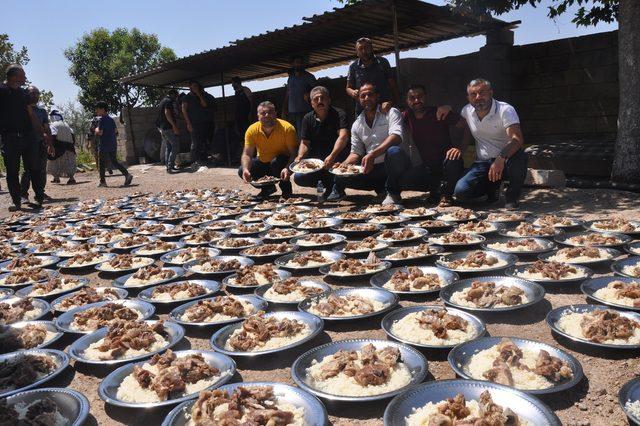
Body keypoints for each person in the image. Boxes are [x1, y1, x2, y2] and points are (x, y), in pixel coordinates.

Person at [385, 84, 464, 206]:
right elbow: (393, 118)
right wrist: (389, 107)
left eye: (420, 96)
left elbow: (464, 125)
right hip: (428, 168)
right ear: (407, 101)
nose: (416, 100)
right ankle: (436, 191)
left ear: (426, 97)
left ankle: (446, 196)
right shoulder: (407, 116)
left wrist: (460, 148)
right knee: (403, 181)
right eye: (412, 98)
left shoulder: (439, 112)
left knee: (453, 160)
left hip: (447, 164)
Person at [454, 78, 528, 209]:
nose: (478, 97)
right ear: (468, 97)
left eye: (482, 93)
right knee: (461, 192)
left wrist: (500, 158)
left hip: (506, 160)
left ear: (491, 93)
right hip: (483, 162)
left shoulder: (505, 110)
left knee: (520, 157)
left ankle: (512, 196)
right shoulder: (466, 111)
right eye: (473, 94)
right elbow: (467, 133)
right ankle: (491, 190)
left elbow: (517, 140)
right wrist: (461, 149)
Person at [329, 82, 403, 202]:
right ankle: (382, 189)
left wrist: (372, 154)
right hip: (372, 168)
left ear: (377, 96)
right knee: (339, 176)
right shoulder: (357, 124)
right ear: (358, 99)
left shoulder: (390, 112)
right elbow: (356, 152)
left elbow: (396, 137)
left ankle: (393, 192)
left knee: (394, 152)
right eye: (363, 96)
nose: (367, 98)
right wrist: (344, 164)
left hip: (392, 166)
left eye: (370, 94)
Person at [0, 64, 46, 211]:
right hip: (10, 138)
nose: (25, 78)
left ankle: (39, 198)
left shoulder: (24, 94)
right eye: (22, 75)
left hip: (28, 137)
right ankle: (16, 201)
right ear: (13, 76)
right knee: (12, 171)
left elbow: (31, 114)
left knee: (33, 168)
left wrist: (41, 132)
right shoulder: (1, 91)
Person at [292, 86, 349, 201]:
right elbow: (305, 142)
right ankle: (328, 186)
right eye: (316, 99)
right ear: (311, 103)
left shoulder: (339, 114)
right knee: (299, 177)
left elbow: (343, 136)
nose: (319, 101)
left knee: (339, 169)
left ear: (329, 100)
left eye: (323, 98)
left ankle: (337, 187)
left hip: (336, 157)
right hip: (317, 162)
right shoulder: (307, 118)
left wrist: (332, 156)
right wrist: (300, 156)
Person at [238, 101, 297, 199]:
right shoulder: (252, 130)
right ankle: (268, 188)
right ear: (258, 116)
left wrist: (287, 168)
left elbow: (294, 153)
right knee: (241, 170)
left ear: (275, 113)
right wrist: (245, 169)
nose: (267, 115)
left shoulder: (287, 128)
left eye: (270, 112)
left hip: (281, 163)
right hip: (263, 161)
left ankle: (286, 189)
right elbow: (247, 154)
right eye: (263, 113)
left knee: (276, 162)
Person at [346, 38, 400, 116]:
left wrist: (397, 103)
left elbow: (393, 84)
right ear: (357, 52)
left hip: (383, 107)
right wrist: (352, 92)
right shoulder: (353, 67)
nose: (364, 51)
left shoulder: (382, 62)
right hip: (363, 110)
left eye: (366, 48)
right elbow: (348, 88)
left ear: (371, 48)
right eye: (360, 49)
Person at [20, 85, 53, 204]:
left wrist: (50, 143)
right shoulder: (23, 110)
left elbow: (46, 128)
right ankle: (23, 195)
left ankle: (40, 192)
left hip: (41, 143)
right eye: (32, 93)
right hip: (28, 143)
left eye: (37, 93)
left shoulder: (42, 111)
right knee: (28, 170)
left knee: (41, 169)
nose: (35, 95)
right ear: (27, 94)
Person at [94, 101, 132, 187]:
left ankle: (102, 182)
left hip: (104, 144)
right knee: (115, 162)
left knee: (101, 163)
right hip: (112, 143)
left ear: (103, 109)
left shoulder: (102, 119)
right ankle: (127, 175)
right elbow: (116, 131)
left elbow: (100, 132)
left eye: (98, 109)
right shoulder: (111, 119)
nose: (96, 111)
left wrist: (96, 129)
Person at [181, 80, 216, 167]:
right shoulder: (186, 98)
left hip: (206, 123)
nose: (195, 88)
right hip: (194, 124)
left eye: (196, 86)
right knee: (196, 143)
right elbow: (184, 110)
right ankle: (195, 161)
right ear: (190, 88)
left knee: (205, 142)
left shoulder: (202, 96)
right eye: (193, 86)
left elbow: (204, 105)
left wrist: (199, 95)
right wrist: (188, 123)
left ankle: (204, 159)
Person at [282, 55, 317, 135]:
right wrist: (284, 108)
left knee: (303, 135)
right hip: (291, 112)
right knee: (292, 134)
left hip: (304, 111)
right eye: (297, 62)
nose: (299, 64)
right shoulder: (291, 78)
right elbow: (288, 93)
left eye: (300, 63)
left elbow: (316, 90)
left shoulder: (309, 77)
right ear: (293, 64)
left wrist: (309, 93)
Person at [46, 110, 77, 184]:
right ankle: (71, 178)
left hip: (58, 147)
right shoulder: (67, 125)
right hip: (69, 147)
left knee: (55, 163)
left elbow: (53, 135)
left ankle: (56, 178)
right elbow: (73, 137)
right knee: (69, 163)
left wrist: (50, 145)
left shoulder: (53, 125)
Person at [156, 89, 180, 173]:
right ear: (172, 94)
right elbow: (167, 113)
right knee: (175, 145)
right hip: (168, 128)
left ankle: (169, 166)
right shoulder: (168, 101)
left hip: (163, 128)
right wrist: (174, 126)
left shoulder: (162, 101)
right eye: (176, 96)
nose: (176, 98)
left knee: (169, 147)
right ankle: (170, 167)